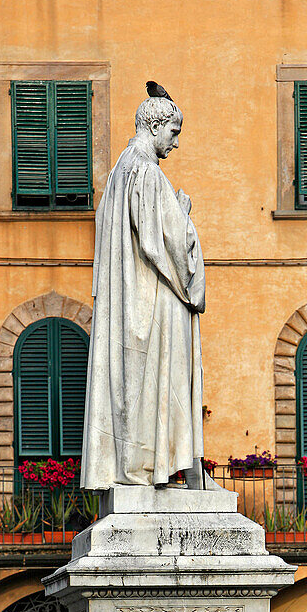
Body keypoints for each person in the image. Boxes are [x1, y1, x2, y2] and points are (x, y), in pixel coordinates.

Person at [81, 84, 215, 490]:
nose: (175, 144)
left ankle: (180, 470)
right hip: (156, 299)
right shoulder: (146, 172)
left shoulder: (121, 170)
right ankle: (180, 473)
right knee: (169, 379)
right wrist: (184, 215)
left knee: (151, 385)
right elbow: (171, 245)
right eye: (174, 133)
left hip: (135, 300)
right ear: (156, 125)